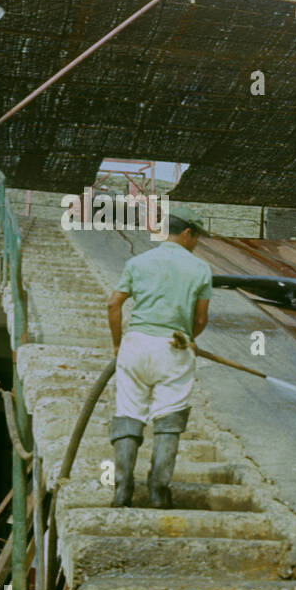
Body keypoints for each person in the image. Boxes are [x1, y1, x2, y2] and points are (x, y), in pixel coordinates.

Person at [106, 210, 213, 507]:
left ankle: (122, 490)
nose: (197, 243)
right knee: (168, 420)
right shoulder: (201, 268)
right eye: (197, 238)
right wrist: (188, 338)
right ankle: (157, 493)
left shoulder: (137, 262)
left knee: (128, 414)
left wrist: (117, 344)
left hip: (135, 345)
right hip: (174, 347)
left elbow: (114, 304)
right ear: (187, 233)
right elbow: (202, 319)